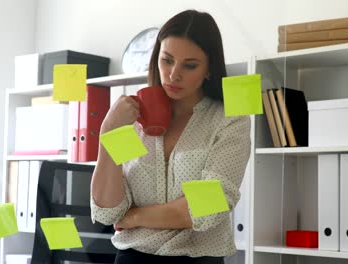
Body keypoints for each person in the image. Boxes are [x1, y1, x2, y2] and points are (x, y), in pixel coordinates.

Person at [90, 9, 251, 264]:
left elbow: (207, 207)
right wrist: (108, 131)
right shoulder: (132, 120)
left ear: (209, 69)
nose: (174, 74)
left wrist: (134, 217)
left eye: (190, 65)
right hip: (132, 258)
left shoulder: (229, 120)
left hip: (198, 259)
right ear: (156, 59)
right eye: (167, 60)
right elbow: (108, 212)